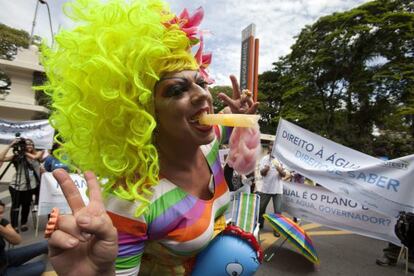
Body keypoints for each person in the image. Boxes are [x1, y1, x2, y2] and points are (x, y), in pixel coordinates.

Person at [41, 0, 259, 275]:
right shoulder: (133, 201)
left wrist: (235, 113)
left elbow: (226, 122)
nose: (204, 94)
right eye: (177, 90)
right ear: (142, 112)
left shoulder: (210, 142)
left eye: (201, 83)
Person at [0, 139, 42, 232]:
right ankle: (14, 225)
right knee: (15, 206)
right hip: (16, 186)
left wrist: (23, 152)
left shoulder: (38, 153)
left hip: (30, 186)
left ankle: (24, 223)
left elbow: (34, 158)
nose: (29, 146)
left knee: (26, 205)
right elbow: (1, 158)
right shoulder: (17, 156)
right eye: (27, 145)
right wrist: (10, 145)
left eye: (31, 144)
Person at [0, 200, 48, 276]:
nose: (0, 216)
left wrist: (1, 228)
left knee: (45, 245)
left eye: (1, 213)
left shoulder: (1, 221)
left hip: (4, 257)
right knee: (40, 267)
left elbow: (17, 240)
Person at [256, 141, 287, 234]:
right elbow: (262, 173)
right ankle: (260, 224)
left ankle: (276, 229)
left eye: (274, 145)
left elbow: (284, 175)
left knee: (278, 211)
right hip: (266, 188)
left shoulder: (281, 160)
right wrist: (266, 169)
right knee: (261, 208)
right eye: (270, 145)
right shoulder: (264, 159)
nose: (272, 147)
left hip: (278, 190)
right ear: (269, 147)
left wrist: (279, 169)